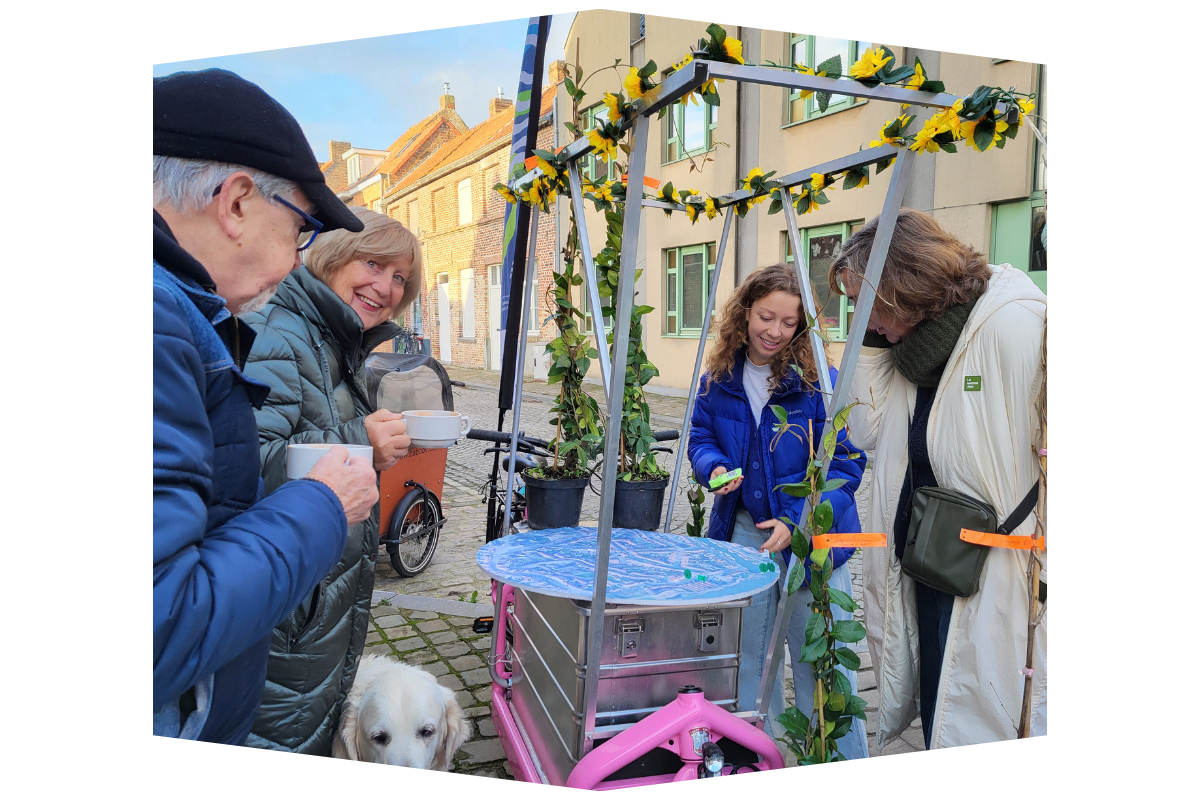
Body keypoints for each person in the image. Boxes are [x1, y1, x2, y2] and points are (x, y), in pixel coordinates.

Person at [153, 68, 380, 745]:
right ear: (237, 203)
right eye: (300, 230)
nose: (293, 262)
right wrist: (322, 504)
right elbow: (158, 628)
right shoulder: (158, 323)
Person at [830, 208, 1047, 750]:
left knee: (987, 718)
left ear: (905, 285)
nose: (859, 317)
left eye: (865, 304)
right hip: (926, 565)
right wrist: (871, 341)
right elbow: (862, 428)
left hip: (995, 571)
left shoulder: (1015, 325)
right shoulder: (910, 349)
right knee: (939, 707)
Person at [241, 207, 421, 755]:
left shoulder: (333, 339)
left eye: (399, 278)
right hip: (291, 611)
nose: (386, 287)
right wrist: (357, 441)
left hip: (315, 604)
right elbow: (248, 462)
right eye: (374, 263)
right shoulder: (283, 331)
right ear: (333, 254)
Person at [687, 263, 868, 759]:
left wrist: (799, 520)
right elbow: (700, 438)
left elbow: (847, 462)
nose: (775, 331)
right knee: (749, 658)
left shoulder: (818, 384)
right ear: (745, 313)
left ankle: (839, 765)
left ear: (802, 327)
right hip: (747, 533)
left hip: (813, 538)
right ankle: (754, 760)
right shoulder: (719, 380)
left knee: (822, 666)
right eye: (767, 317)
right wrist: (715, 468)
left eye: (789, 323)